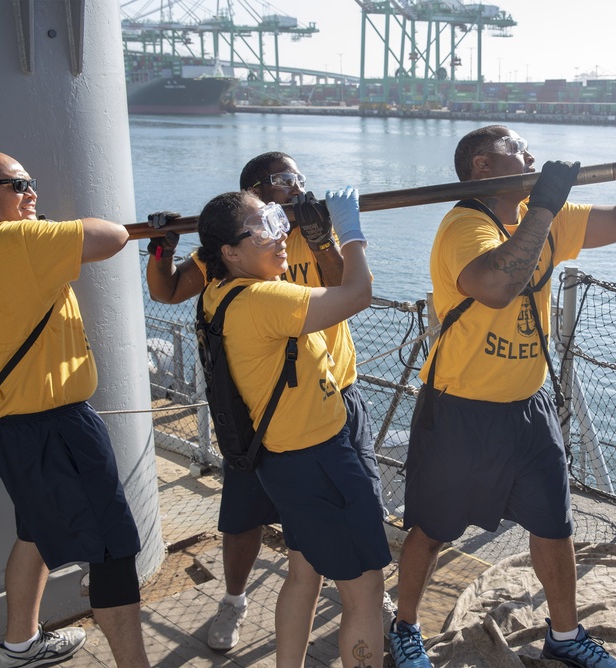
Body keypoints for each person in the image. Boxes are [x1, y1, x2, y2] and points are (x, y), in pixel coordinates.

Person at [387, 125, 616, 668]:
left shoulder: (544, 215)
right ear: (483, 166)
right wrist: (546, 208)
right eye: (518, 150)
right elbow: (497, 283)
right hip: (460, 409)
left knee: (555, 526)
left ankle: (565, 633)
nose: (531, 156)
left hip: (528, 408)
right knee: (432, 529)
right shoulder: (463, 225)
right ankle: (405, 625)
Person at [145, 151, 390, 651]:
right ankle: (239, 598)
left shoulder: (272, 243)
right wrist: (161, 249)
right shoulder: (247, 269)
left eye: (299, 179)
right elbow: (168, 291)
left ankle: (353, 575)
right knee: (249, 522)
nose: (296, 190)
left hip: (328, 398)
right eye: (282, 183)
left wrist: (325, 235)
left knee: (307, 566)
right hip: (293, 430)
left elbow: (337, 277)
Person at [0, 152, 153, 667]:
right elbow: (110, 236)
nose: (32, 193)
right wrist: (41, 226)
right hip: (54, 426)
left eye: (32, 182)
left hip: (5, 421)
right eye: (18, 184)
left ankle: (19, 646)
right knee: (113, 551)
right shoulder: (12, 240)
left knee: (36, 531)